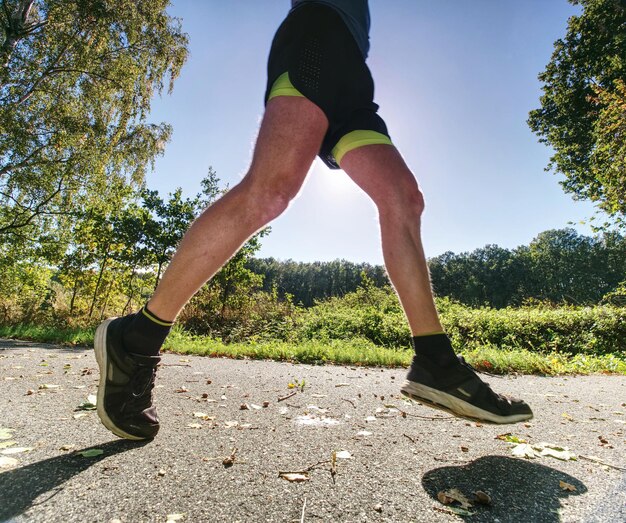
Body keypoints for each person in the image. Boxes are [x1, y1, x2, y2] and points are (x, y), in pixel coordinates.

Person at [94, 0, 533, 441]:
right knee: (269, 192)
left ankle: (436, 362)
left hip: (352, 71)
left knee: (403, 197)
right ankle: (137, 340)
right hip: (316, 34)